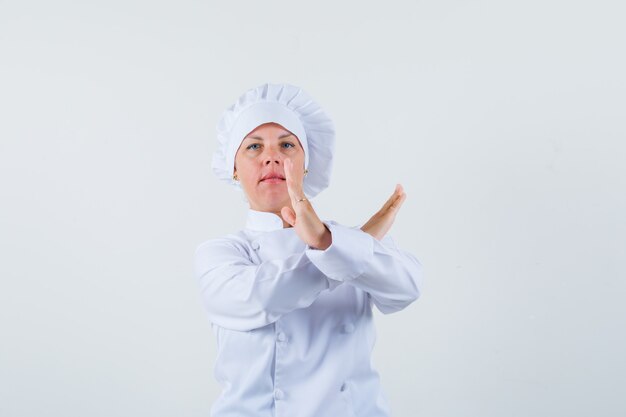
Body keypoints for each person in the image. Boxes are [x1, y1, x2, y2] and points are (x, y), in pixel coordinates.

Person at [194, 82, 424, 417]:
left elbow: (407, 288)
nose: (271, 156)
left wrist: (330, 242)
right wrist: (335, 249)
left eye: (286, 145)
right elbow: (262, 297)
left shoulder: (348, 239)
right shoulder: (219, 254)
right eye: (254, 147)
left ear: (306, 163)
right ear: (232, 167)